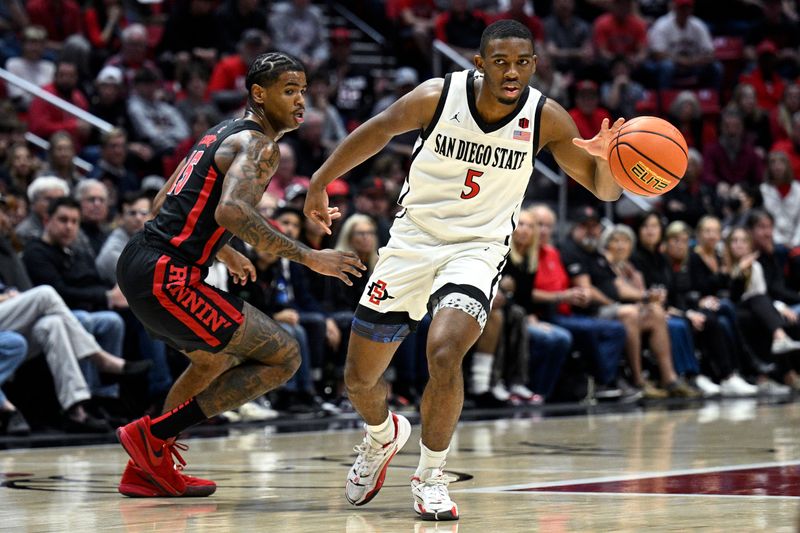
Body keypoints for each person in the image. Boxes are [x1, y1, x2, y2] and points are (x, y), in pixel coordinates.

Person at [303, 20, 626, 521]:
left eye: (522, 61)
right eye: (500, 61)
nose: (512, 71)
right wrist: (320, 182)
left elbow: (604, 190)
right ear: (478, 63)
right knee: (360, 380)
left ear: (535, 64)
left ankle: (431, 475)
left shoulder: (546, 117)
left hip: (476, 249)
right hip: (411, 243)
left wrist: (608, 159)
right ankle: (381, 436)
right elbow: (376, 131)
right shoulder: (437, 95)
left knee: (445, 349)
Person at [113, 52, 364, 498]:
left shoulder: (218, 133)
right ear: (258, 94)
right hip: (166, 272)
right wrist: (310, 256)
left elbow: (161, 206)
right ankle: (153, 436)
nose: (301, 101)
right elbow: (231, 209)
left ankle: (148, 468)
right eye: (290, 91)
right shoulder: (261, 145)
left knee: (213, 360)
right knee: (284, 356)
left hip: (142, 261)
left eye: (303, 90)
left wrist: (223, 249)